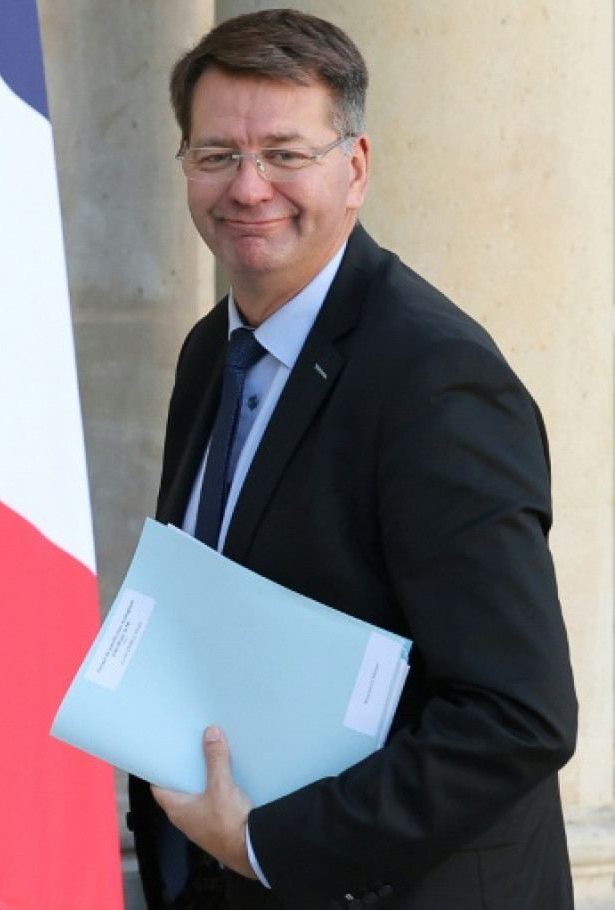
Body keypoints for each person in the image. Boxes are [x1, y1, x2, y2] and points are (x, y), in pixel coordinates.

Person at [125, 9, 579, 909]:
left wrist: (266, 844)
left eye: (286, 154)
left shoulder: (436, 379)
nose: (248, 187)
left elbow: (516, 717)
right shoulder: (211, 353)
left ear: (355, 168)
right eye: (217, 155)